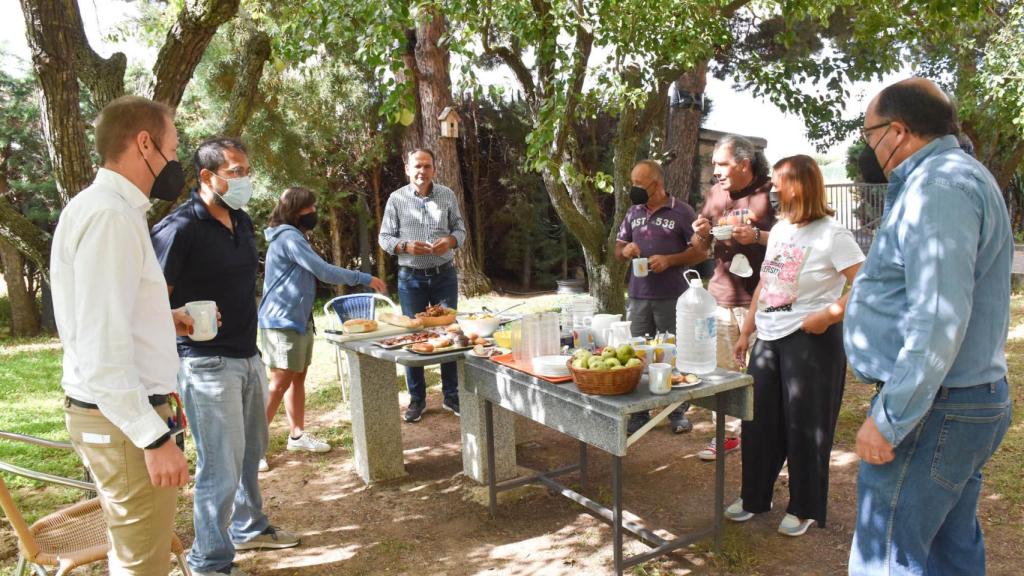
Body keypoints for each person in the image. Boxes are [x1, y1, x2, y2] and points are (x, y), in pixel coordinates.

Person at [846, 78, 1012, 575]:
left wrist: (890, 417)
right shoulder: (953, 177)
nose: (869, 147)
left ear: (898, 130)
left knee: (887, 556)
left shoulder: (938, 187)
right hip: (957, 402)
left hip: (937, 409)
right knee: (949, 549)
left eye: (870, 135)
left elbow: (938, 318)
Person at [50, 95, 191, 575]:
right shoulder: (109, 215)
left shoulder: (108, 208)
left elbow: (106, 314)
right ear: (144, 143)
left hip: (114, 413)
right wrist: (155, 438)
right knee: (142, 564)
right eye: (173, 148)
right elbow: (100, 347)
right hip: (123, 417)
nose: (176, 161)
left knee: (131, 553)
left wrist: (159, 317)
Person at [152, 137, 299, 576]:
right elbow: (149, 302)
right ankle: (209, 563)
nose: (245, 180)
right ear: (207, 177)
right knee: (220, 466)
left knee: (251, 451)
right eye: (235, 171)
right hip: (205, 364)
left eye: (246, 171)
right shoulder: (178, 228)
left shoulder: (242, 220)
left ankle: (249, 526)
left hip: (247, 354)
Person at [726, 155, 864, 537]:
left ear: (800, 185)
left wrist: (831, 313)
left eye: (778, 183)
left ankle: (804, 506)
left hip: (811, 340)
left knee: (806, 426)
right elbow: (765, 286)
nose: (771, 190)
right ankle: (754, 498)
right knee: (758, 423)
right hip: (768, 338)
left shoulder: (833, 234)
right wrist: (746, 332)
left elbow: (867, 283)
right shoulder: (783, 229)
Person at [258, 186, 387, 468]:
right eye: (310, 209)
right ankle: (253, 450)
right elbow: (323, 271)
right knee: (278, 384)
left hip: (299, 319)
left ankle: (297, 435)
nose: (314, 213)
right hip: (281, 320)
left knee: (298, 378)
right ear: (295, 211)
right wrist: (363, 277)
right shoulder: (289, 238)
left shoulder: (295, 235)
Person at [690, 134, 777, 461]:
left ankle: (762, 437)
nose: (716, 171)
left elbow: (791, 243)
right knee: (721, 371)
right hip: (720, 297)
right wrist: (699, 233)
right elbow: (699, 248)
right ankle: (725, 435)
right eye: (714, 164)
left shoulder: (770, 195)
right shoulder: (715, 194)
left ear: (744, 163)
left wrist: (756, 236)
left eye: (722, 164)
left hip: (762, 300)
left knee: (759, 376)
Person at [616, 160, 707, 434]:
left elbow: (700, 252)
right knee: (637, 355)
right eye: (633, 184)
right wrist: (626, 250)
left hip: (672, 295)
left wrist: (671, 260)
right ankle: (639, 413)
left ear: (656, 184)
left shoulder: (681, 211)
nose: (634, 189)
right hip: (639, 297)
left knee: (672, 354)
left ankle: (676, 412)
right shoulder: (633, 213)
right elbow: (617, 248)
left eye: (639, 185)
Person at [378, 148, 467, 422]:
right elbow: (384, 238)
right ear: (407, 168)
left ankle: (452, 395)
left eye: (427, 166)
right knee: (413, 337)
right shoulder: (396, 199)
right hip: (411, 277)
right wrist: (404, 245)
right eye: (417, 166)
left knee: (449, 333)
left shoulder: (447, 195)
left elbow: (460, 230)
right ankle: (417, 399)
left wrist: (450, 241)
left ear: (434, 170)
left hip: (443, 274)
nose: (422, 171)